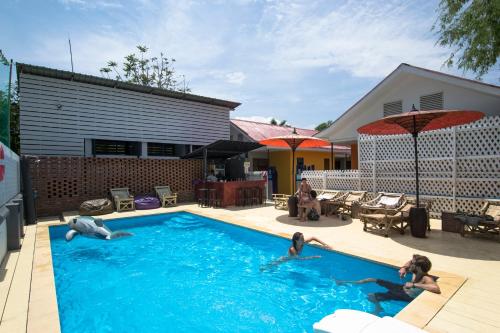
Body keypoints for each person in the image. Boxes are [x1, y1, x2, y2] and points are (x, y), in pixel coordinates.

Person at [336, 254, 440, 314]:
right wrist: (404, 268)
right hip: (401, 288)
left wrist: (414, 285)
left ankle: (377, 309)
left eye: (412, 264)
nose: (410, 265)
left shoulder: (426, 278)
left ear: (417, 266)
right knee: (372, 279)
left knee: (371, 296)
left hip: (405, 295)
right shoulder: (415, 271)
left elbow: (435, 288)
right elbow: (410, 261)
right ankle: (348, 282)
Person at [260, 232, 331, 271]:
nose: (303, 239)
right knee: (275, 264)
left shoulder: (302, 243)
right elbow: (299, 258)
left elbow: (313, 238)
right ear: (296, 241)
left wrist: (325, 244)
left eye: (303, 238)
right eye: (301, 238)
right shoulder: (292, 249)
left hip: (293, 258)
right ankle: (264, 268)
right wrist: (313, 257)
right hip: (286, 259)